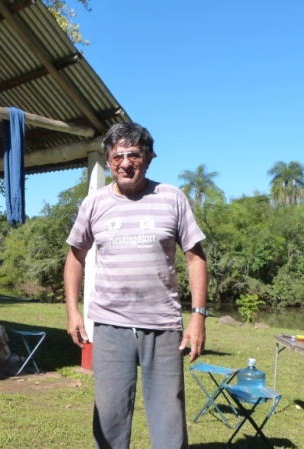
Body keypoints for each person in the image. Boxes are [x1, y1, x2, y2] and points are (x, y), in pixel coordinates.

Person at [63, 122, 208, 449]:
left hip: (163, 326)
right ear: (108, 158)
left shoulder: (171, 198)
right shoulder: (94, 204)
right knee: (110, 422)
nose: (126, 163)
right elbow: (75, 258)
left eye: (134, 155)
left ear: (149, 157)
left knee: (169, 423)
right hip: (111, 326)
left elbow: (196, 259)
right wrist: (73, 311)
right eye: (118, 156)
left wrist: (198, 317)